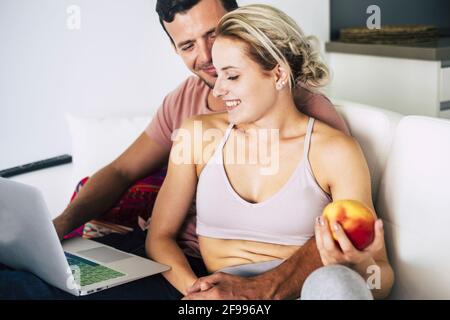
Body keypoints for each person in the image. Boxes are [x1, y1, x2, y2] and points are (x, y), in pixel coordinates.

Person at [0, 0, 350, 299]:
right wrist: (60, 224)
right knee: (23, 273)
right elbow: (123, 172)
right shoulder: (186, 102)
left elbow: (343, 233)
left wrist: (258, 289)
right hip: (165, 258)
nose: (206, 55)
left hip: (208, 269)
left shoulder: (312, 119)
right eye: (187, 45)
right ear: (174, 49)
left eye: (213, 35)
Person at [146, 4, 394, 300]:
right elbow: (159, 238)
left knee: (337, 283)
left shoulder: (334, 152)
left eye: (232, 76)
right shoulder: (197, 136)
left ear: (277, 73)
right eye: (219, 75)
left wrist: (360, 263)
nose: (218, 90)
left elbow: (382, 277)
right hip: (217, 295)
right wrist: (199, 293)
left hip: (303, 291)